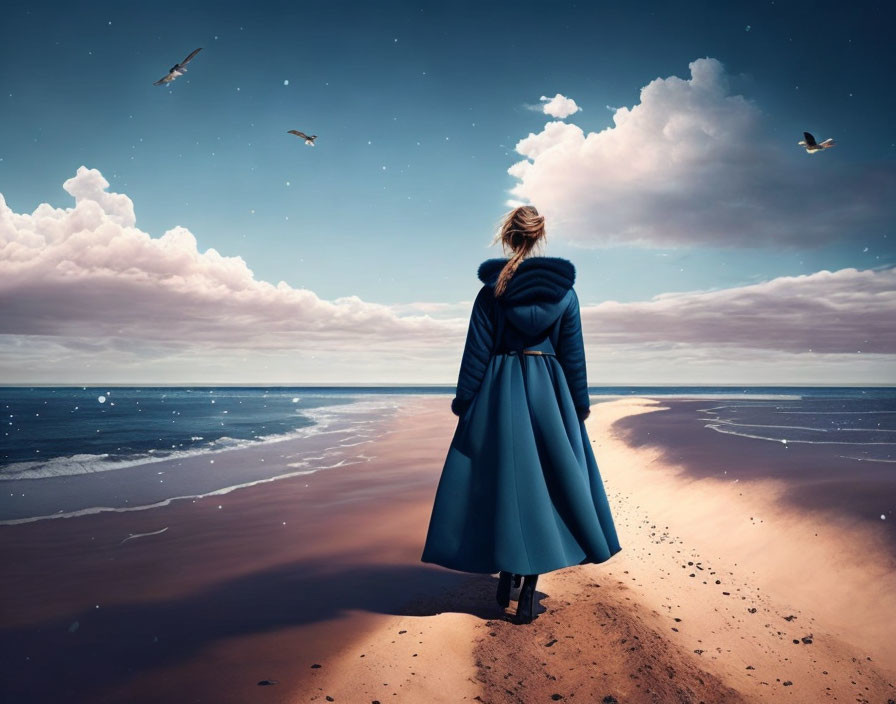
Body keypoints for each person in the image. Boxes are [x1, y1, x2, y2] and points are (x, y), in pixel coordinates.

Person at [420, 204, 622, 624]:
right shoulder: (565, 294)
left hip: (499, 387)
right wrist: (578, 405)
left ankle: (508, 570)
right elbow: (574, 356)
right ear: (539, 237)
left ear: (509, 236)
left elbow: (476, 352)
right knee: (546, 483)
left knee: (504, 480)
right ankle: (528, 590)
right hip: (550, 390)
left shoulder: (490, 291)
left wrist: (465, 401)